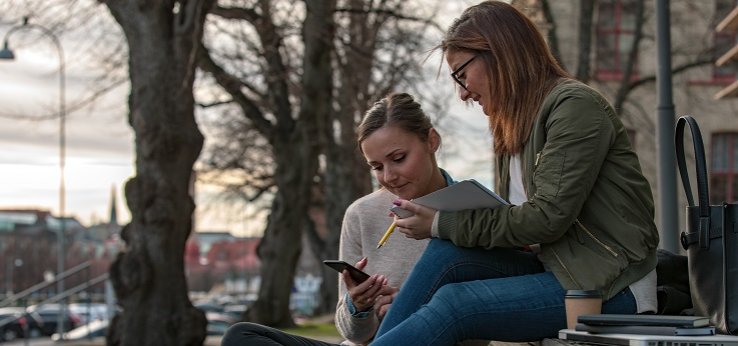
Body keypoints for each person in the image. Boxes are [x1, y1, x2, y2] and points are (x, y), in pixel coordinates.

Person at [369, 1, 660, 345]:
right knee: (446, 255)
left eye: (461, 74)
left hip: (610, 285)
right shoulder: (515, 128)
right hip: (556, 268)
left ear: (499, 53)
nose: (462, 92)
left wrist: (438, 223)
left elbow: (547, 218)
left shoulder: (574, 107)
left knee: (456, 304)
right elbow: (530, 227)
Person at [220, 92, 455, 346]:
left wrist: (411, 313)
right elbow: (352, 334)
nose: (389, 176)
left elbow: (479, 323)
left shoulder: (471, 212)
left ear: (432, 140)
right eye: (376, 167)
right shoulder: (362, 213)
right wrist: (358, 306)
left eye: (398, 159)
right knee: (241, 337)